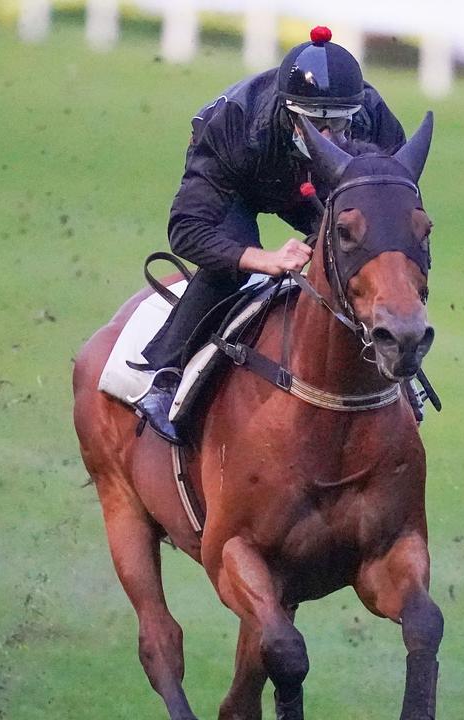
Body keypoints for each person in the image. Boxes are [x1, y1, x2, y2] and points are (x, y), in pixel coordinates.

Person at [134, 26, 407, 444]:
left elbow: (389, 211)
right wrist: (263, 259)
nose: (328, 139)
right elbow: (188, 231)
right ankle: (165, 377)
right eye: (315, 125)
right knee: (229, 270)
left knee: (364, 256)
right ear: (288, 111)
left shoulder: (375, 121)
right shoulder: (234, 127)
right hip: (243, 182)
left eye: (338, 124)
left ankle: (398, 374)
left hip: (317, 187)